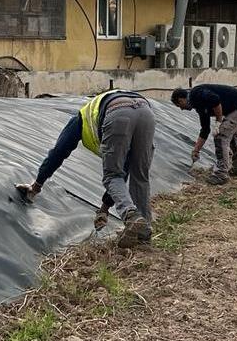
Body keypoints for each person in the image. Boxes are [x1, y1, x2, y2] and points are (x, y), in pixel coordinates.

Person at [15, 90, 155, 248]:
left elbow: (58, 153)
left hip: (118, 113)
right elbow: (125, 168)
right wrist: (104, 209)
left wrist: (36, 186)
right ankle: (143, 235)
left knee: (112, 176)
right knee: (140, 177)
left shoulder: (80, 119)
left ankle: (131, 217)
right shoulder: (95, 112)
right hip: (146, 112)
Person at [170, 84, 237, 185]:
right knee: (231, 136)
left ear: (180, 100)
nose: (181, 109)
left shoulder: (195, 94)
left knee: (221, 136)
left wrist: (218, 122)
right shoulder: (199, 106)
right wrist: (196, 150)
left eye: (179, 106)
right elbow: (205, 130)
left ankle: (221, 174)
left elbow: (215, 99)